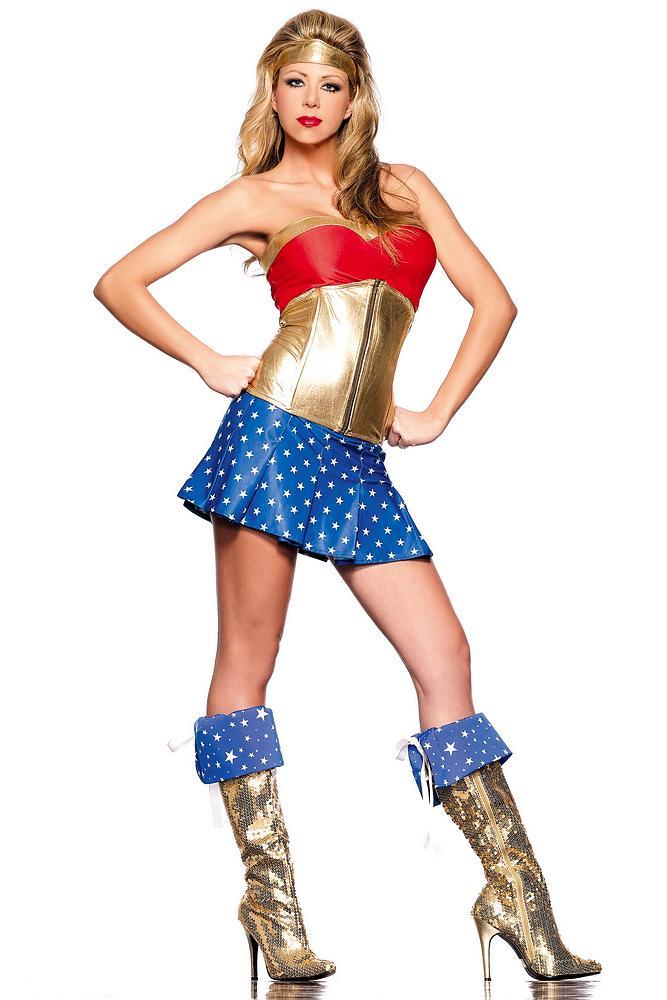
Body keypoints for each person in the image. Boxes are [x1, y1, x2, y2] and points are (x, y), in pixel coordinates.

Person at [93, 9, 602, 988]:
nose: (311, 100)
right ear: (272, 89)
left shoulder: (403, 188)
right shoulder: (252, 195)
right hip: (273, 439)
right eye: (294, 82)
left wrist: (437, 410)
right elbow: (122, 281)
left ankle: (518, 901)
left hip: (357, 460)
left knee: (445, 657)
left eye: (330, 85)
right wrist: (206, 358)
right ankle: (271, 906)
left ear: (354, 95)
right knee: (247, 662)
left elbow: (493, 302)